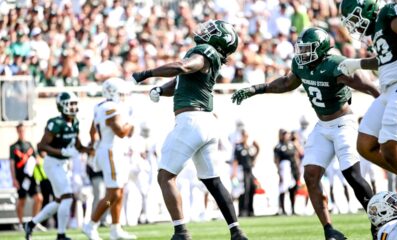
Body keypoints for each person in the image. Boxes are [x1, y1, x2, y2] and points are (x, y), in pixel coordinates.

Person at [231, 27, 379, 240]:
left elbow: (368, 86)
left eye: (308, 49)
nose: (302, 53)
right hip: (322, 125)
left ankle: (378, 222)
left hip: (343, 123)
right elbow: (285, 83)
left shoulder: (334, 64)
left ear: (321, 49)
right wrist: (256, 89)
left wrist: (385, 108)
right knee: (310, 175)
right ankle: (330, 230)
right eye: (301, 49)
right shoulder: (301, 64)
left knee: (353, 176)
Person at [131, 20, 247, 240]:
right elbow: (180, 81)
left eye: (212, 31)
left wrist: (146, 73)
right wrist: (159, 88)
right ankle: (236, 231)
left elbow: (183, 67)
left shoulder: (204, 51)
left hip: (191, 121)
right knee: (213, 180)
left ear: (218, 39)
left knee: (166, 176)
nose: (206, 31)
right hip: (207, 122)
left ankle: (181, 232)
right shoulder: (211, 56)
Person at [338, 0, 397, 176]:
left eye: (355, 18)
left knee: (390, 148)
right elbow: (384, 59)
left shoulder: (388, 12)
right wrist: (355, 64)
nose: (354, 26)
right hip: (388, 88)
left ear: (367, 7)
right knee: (365, 146)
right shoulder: (377, 28)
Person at [25, 92, 92, 240]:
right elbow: (41, 145)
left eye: (75, 104)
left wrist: (91, 149)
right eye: (70, 104)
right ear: (62, 106)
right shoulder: (55, 123)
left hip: (63, 165)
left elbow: (78, 145)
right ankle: (61, 234)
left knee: (59, 200)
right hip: (52, 163)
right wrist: (61, 151)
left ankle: (31, 224)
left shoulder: (75, 122)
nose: (74, 107)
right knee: (67, 196)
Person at [83, 78, 136, 240]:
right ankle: (91, 224)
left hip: (111, 150)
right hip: (111, 151)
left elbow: (92, 131)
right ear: (113, 92)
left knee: (119, 192)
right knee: (112, 193)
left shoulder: (100, 106)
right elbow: (121, 132)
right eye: (121, 93)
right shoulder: (110, 107)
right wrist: (131, 122)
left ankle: (115, 228)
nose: (123, 96)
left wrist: (95, 144)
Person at [9, 123, 43, 231]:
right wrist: (14, 179)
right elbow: (12, 164)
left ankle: (34, 222)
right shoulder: (14, 147)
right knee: (22, 200)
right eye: (20, 131)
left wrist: (38, 160)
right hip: (21, 178)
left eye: (23, 130)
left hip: (31, 177)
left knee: (39, 198)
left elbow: (36, 158)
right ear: (17, 131)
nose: (22, 133)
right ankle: (20, 224)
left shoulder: (29, 145)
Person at [232, 128, 260, 217]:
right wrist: (234, 172)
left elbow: (253, 157)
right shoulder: (238, 147)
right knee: (244, 190)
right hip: (241, 170)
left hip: (250, 171)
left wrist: (258, 148)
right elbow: (235, 160)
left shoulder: (249, 147)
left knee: (252, 188)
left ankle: (250, 210)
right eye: (244, 135)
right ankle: (242, 211)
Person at [274, 129, 298, 216]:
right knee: (283, 188)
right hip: (284, 167)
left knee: (293, 188)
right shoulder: (278, 146)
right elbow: (276, 160)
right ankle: (282, 209)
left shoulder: (292, 145)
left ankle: (293, 209)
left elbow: (296, 156)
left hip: (293, 168)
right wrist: (279, 171)